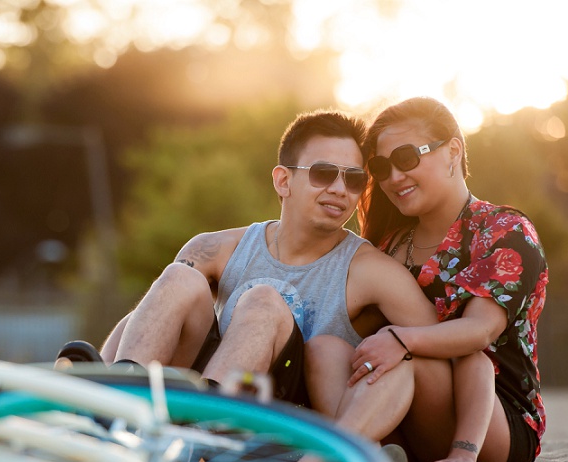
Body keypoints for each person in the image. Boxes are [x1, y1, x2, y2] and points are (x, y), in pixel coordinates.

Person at [58, 109, 438, 441]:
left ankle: (196, 434)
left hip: (281, 409)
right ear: (282, 181)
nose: (340, 189)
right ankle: (107, 404)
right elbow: (142, 324)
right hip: (204, 381)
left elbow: (434, 345)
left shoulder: (372, 270)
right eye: (324, 173)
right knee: (179, 277)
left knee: (264, 302)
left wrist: (450, 445)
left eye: (353, 179)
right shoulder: (214, 248)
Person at [312, 96, 548, 462]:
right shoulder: (389, 245)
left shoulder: (504, 230)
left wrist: (401, 340)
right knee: (324, 349)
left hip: (492, 419)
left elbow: (479, 332)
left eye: (406, 158)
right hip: (404, 405)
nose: (392, 177)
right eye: (381, 167)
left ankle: (340, 455)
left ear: (453, 151)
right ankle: (368, 451)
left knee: (432, 355)